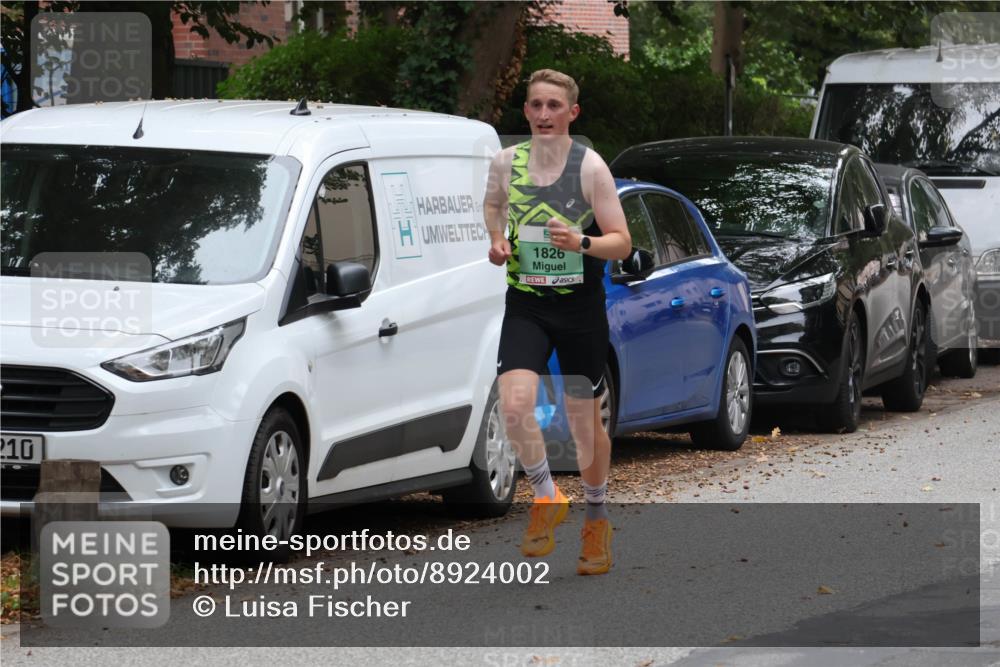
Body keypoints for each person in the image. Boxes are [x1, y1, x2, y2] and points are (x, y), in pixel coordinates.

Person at [483, 69, 631, 575]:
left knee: (584, 426)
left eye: (553, 106)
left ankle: (595, 519)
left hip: (578, 308)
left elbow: (622, 241)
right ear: (525, 111)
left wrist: (583, 243)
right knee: (515, 402)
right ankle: (547, 497)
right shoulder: (506, 163)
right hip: (526, 303)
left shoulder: (590, 168)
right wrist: (498, 241)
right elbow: (493, 206)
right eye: (535, 105)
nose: (544, 114)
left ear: (572, 113)